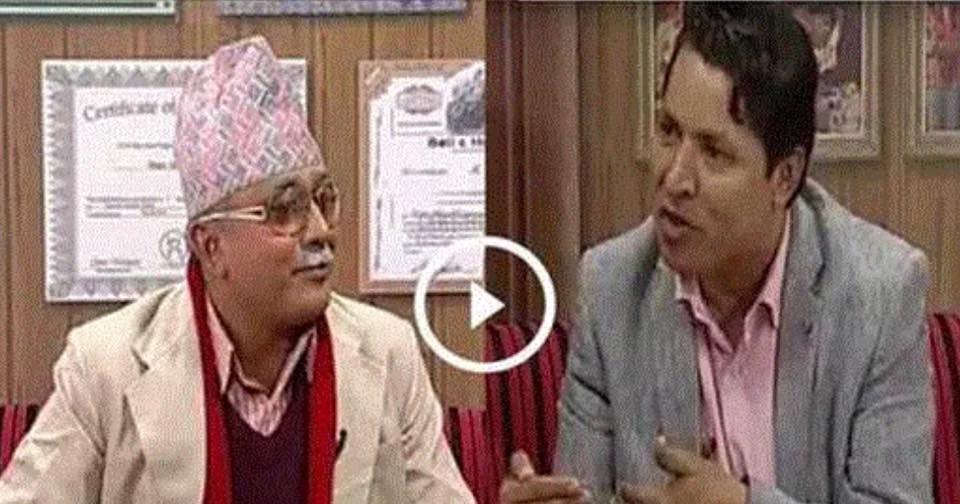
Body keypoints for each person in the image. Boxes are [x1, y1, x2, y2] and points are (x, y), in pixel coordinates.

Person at [0, 36, 474, 504]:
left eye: (324, 199)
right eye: (285, 209)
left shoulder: (388, 353)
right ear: (211, 247)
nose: (320, 231)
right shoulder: (105, 367)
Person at [501, 3, 932, 503]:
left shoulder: (880, 294)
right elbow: (586, 493)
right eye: (669, 132)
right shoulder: (613, 287)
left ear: (784, 177)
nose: (675, 178)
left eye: (714, 152)